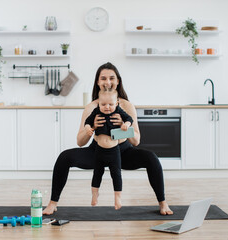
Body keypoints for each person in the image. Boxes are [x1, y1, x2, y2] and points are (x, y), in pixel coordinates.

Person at [43, 62, 173, 215]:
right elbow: (80, 142)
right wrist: (90, 130)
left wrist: (121, 129)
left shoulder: (126, 105)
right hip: (97, 152)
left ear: (118, 81)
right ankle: (53, 203)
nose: (108, 82)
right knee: (64, 157)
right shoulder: (91, 107)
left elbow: (136, 140)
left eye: (112, 78)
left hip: (122, 153)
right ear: (98, 82)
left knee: (151, 158)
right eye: (103, 78)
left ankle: (163, 203)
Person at [84, 88, 133, 210]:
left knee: (116, 174)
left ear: (116, 103)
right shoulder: (96, 112)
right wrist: (88, 128)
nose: (107, 107)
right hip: (99, 150)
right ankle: (95, 194)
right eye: (103, 104)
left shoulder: (118, 111)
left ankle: (117, 197)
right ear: (98, 103)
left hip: (114, 151)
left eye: (110, 104)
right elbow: (87, 121)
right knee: (97, 174)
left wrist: (126, 124)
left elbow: (129, 119)